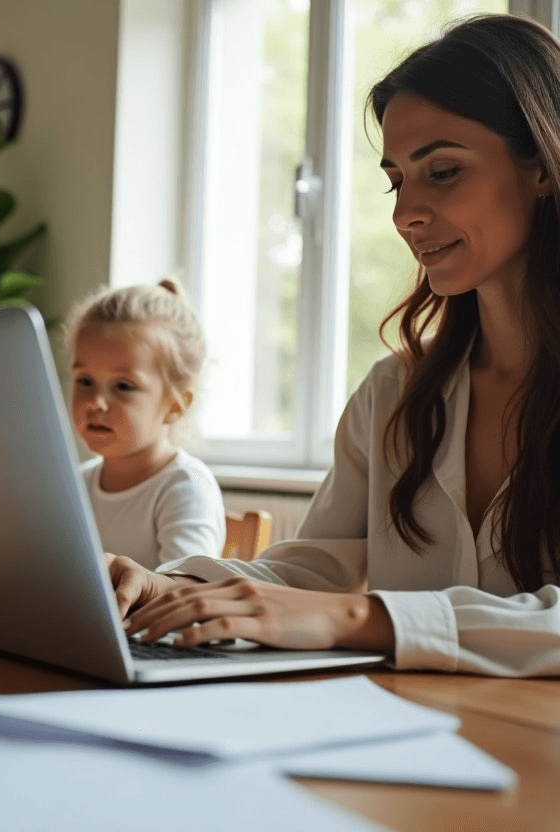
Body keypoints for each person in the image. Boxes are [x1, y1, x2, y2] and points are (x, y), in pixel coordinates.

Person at [110, 13, 560, 677]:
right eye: (396, 179)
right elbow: (314, 568)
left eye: (442, 171)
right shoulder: (393, 393)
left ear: (542, 168)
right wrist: (165, 586)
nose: (405, 212)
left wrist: (359, 617)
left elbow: (334, 607)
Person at [66, 279, 225, 571]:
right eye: (85, 381)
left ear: (176, 406)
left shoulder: (185, 486)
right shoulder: (73, 485)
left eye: (123, 386)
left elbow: (181, 596)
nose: (96, 402)